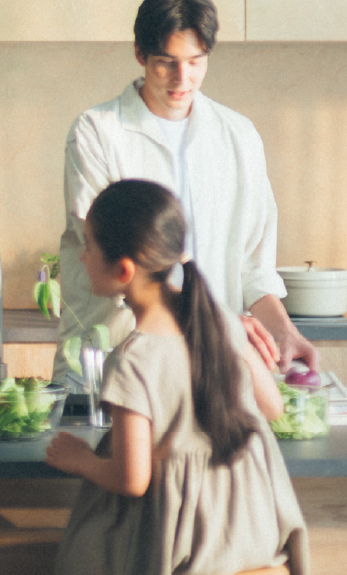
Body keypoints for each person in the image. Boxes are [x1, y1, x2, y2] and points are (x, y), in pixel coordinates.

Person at [54, 0, 316, 400]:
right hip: (117, 365)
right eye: (166, 62)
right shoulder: (97, 134)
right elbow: (118, 266)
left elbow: (253, 268)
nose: (182, 78)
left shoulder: (238, 137)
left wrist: (285, 332)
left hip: (214, 371)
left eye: (196, 61)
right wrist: (221, 324)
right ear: (140, 53)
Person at [46, 180, 309, 575]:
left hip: (190, 548)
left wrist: (80, 460)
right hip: (254, 536)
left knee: (82, 550)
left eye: (88, 245)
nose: (82, 258)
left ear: (123, 269)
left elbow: (132, 479)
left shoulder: (135, 358)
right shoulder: (217, 320)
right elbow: (271, 407)